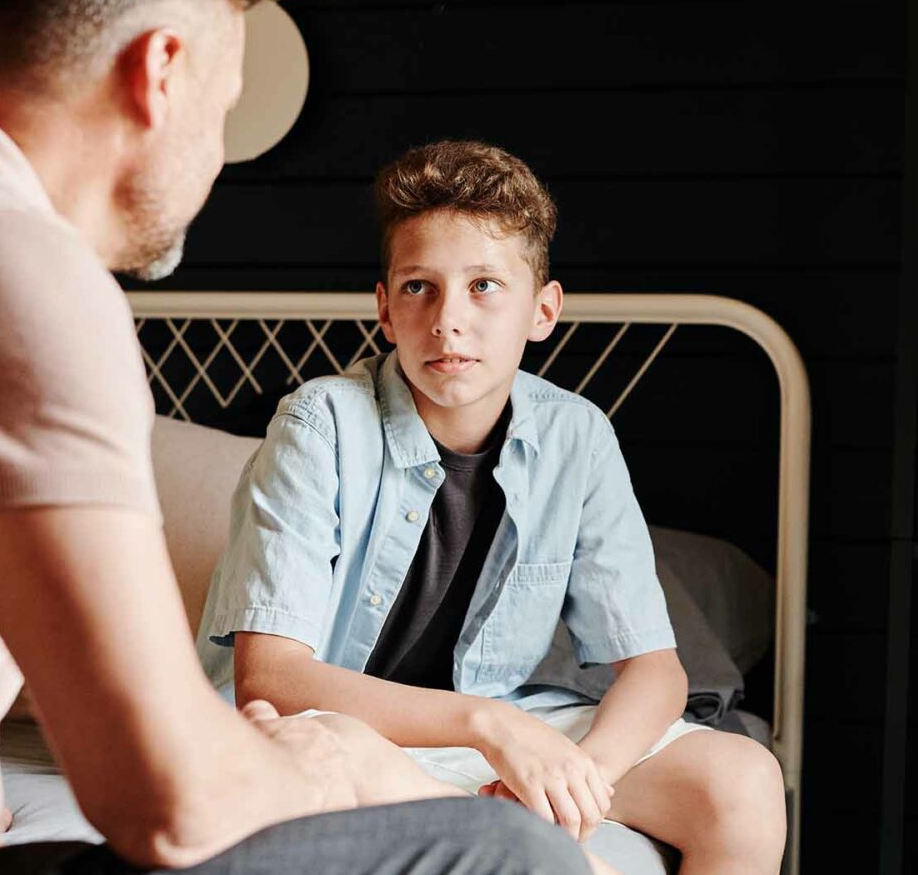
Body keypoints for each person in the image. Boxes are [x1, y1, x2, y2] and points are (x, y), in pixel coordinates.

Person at [0, 0, 592, 874]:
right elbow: (169, 802)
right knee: (513, 853)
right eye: (227, 107)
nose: (214, 154)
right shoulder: (6, 267)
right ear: (160, 71)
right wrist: (319, 766)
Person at [195, 140, 788, 873]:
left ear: (543, 310)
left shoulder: (577, 435)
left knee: (743, 781)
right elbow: (272, 679)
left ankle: (517, 836)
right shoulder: (317, 425)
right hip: (343, 729)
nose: (448, 320)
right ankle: (513, 849)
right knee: (331, 756)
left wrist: (580, 780)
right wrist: (490, 727)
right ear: (383, 308)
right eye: (419, 287)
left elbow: (656, 673)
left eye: (483, 286)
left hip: (510, 727)